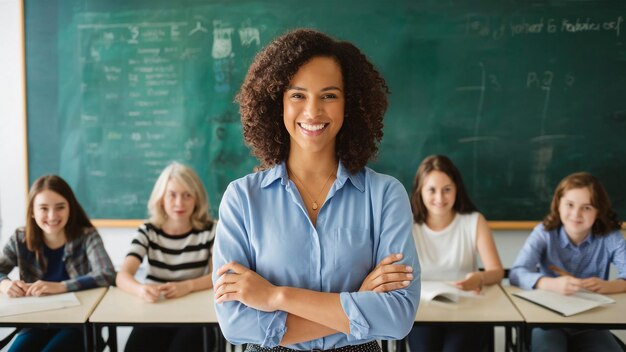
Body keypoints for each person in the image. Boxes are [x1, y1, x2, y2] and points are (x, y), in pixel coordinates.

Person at [211, 28, 420, 352]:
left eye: (329, 95)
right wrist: (358, 305)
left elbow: (397, 318)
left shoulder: (385, 196)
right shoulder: (241, 199)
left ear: (349, 104)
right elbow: (235, 323)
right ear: (276, 102)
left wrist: (275, 297)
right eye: (298, 95)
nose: (312, 111)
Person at [509, 172, 626, 352]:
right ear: (558, 204)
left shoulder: (610, 236)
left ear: (598, 211)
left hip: (592, 321)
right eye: (569, 205)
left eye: (587, 207)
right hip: (547, 320)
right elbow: (517, 273)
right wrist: (550, 283)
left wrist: (608, 286)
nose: (576, 214)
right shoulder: (544, 232)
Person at [0, 175, 115, 351]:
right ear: (32, 211)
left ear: (70, 208)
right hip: (36, 321)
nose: (52, 216)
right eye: (43, 208)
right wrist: (5, 283)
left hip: (77, 324)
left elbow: (107, 273)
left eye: (60, 207)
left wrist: (62, 286)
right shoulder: (20, 238)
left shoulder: (86, 236)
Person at [407, 155, 504, 352]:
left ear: (457, 189)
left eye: (447, 190)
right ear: (420, 191)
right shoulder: (408, 225)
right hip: (423, 313)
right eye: (432, 190)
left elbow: (497, 271)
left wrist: (480, 277)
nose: (440, 198)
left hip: (467, 310)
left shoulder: (474, 221)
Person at [116, 162, 216, 352]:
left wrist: (187, 286)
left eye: (187, 195)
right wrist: (140, 290)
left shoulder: (210, 231)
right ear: (161, 198)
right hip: (155, 311)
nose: (179, 203)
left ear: (197, 199)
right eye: (172, 195)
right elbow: (123, 276)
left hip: (196, 314)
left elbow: (216, 276)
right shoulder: (148, 231)